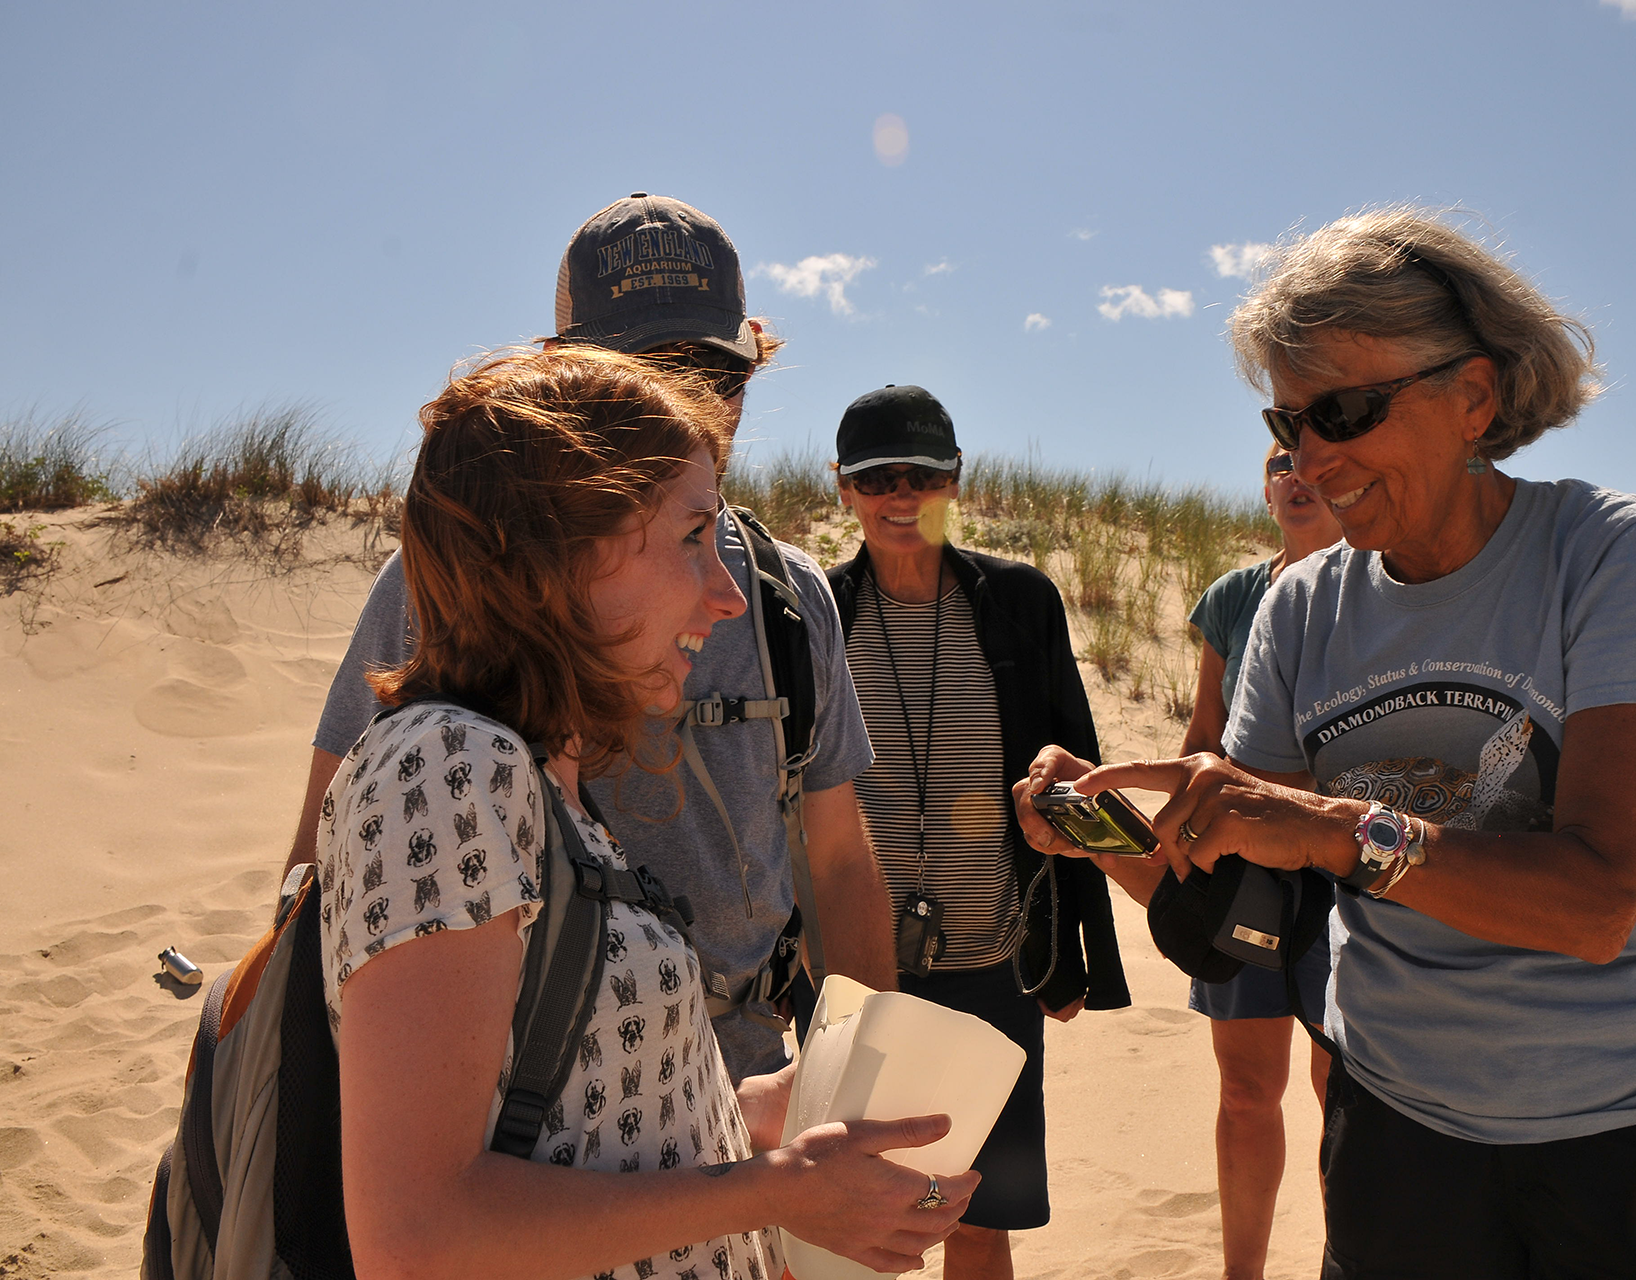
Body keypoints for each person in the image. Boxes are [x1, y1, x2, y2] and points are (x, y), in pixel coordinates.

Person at [1016, 209, 1636, 1278]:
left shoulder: (1619, 557)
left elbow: (1596, 900)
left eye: (1342, 410)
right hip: (1402, 1141)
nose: (1310, 457)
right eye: (1287, 422)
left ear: (1474, 396)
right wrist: (1106, 834)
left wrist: (1332, 828)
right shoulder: (1298, 609)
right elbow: (1259, 915)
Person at [320, 347, 976, 1280]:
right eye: (691, 536)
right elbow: (418, 1236)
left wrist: (742, 1116)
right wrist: (777, 1192)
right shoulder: (449, 764)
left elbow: (572, 1130)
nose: (726, 592)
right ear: (557, 552)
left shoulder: (548, 782)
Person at [289, 193, 894, 1081]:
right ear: (559, 382)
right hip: (520, 1101)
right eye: (645, 377)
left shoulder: (785, 596)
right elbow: (322, 860)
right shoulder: (448, 582)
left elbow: (838, 860)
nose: (685, 408)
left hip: (749, 1076)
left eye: (711, 374)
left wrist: (863, 1096)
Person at [823, 385, 1131, 1280]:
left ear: (956, 480)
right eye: (876, 475)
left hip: (993, 959)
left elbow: (1079, 770)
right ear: (843, 487)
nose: (900, 493)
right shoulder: (819, 613)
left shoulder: (1019, 601)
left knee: (976, 1214)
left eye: (923, 473)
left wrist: (1076, 958)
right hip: (854, 968)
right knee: (843, 1216)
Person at [1180, 442, 1342, 1280]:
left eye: (1312, 461)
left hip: (1347, 875)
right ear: (1265, 482)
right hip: (1241, 873)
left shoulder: (1380, 589)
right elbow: (1202, 742)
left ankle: (1340, 1260)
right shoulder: (1235, 596)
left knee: (1340, 1096)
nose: (1298, 476)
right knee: (1246, 1094)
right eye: (1281, 461)